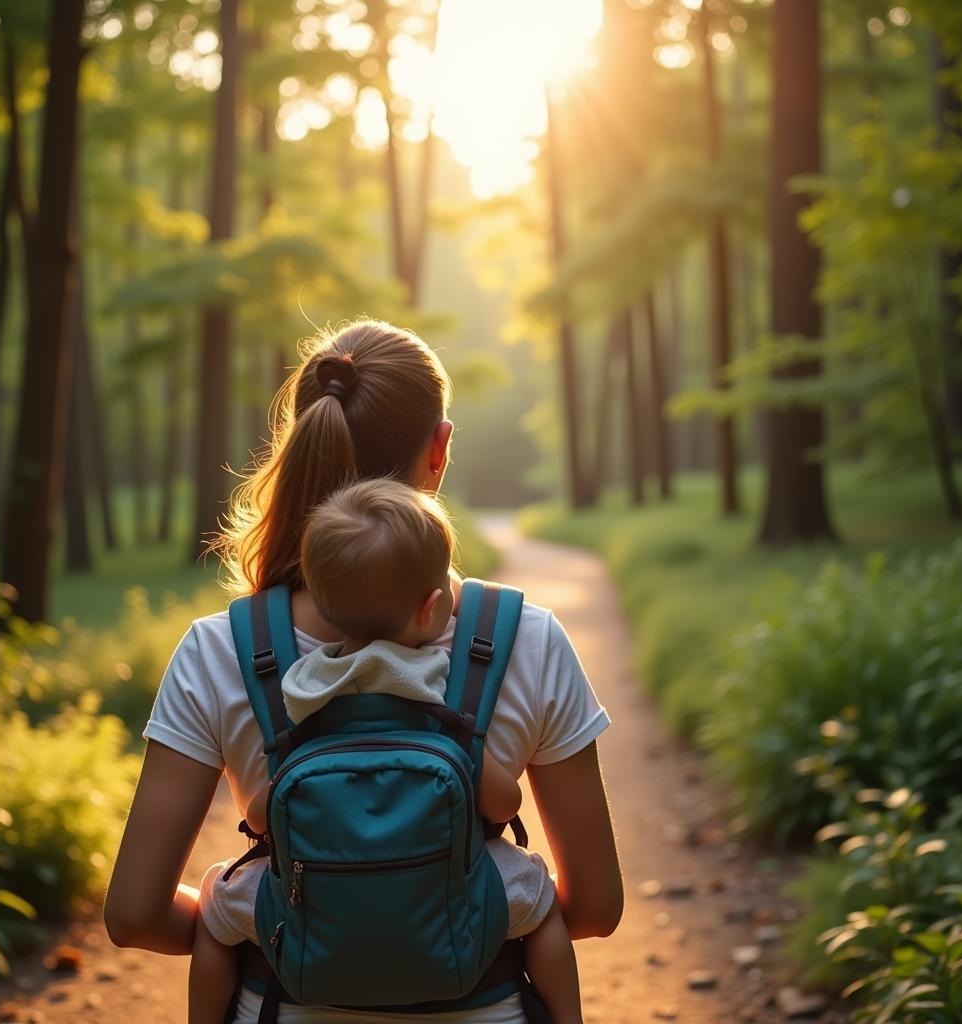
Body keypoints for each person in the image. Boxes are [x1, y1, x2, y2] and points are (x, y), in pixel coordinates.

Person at [105, 318, 623, 1024]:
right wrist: (442, 929)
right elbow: (594, 907)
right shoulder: (524, 640)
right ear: (438, 449)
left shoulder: (218, 651)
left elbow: (133, 916)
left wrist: (283, 932)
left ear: (302, 445)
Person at [189, 479, 584, 1024]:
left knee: (215, 912)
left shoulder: (301, 687)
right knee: (538, 906)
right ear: (430, 611)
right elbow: (503, 804)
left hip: (315, 897)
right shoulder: (435, 689)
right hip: (449, 889)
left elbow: (262, 813)